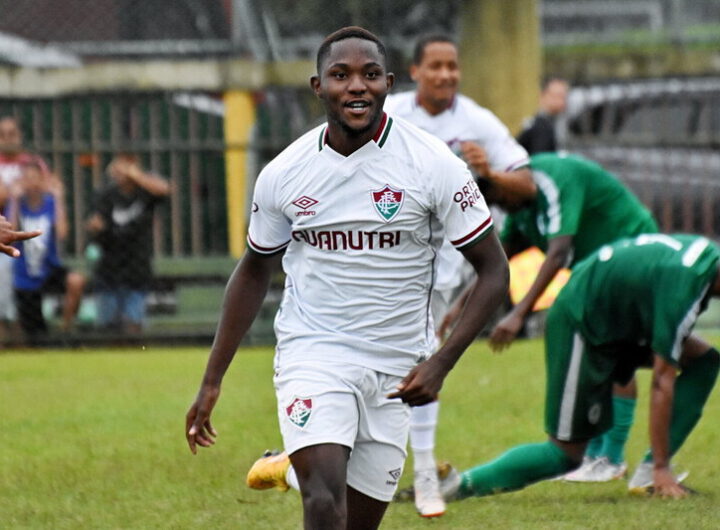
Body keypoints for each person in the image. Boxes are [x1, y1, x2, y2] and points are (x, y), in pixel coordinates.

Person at [185, 26, 509, 530]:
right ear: (319, 86)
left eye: (370, 75)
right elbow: (253, 270)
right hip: (314, 351)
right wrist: (211, 380)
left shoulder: (433, 165)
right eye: (341, 75)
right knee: (322, 500)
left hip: (396, 363)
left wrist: (441, 363)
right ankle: (304, 468)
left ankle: (291, 465)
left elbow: (494, 270)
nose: (356, 86)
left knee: (355, 520)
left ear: (389, 84)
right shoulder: (285, 173)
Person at [438, 233, 720, 501]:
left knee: (705, 361)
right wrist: (663, 468)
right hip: (582, 321)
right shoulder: (684, 284)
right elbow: (662, 380)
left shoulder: (707, 259)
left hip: (621, 319)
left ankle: (646, 472)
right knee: (565, 454)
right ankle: (460, 484)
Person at [382, 34, 530, 517]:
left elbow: (523, 184)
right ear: (415, 71)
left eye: (453, 65)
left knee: (423, 364)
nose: (446, 74)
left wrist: (487, 174)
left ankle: (423, 471)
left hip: (443, 271)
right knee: (375, 365)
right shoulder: (391, 113)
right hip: (383, 262)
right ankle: (310, 459)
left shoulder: (477, 121)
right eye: (436, 66)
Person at [443, 152, 659, 483]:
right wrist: (458, 306)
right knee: (597, 355)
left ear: (504, 182)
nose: (500, 209)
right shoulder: (523, 209)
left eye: (497, 199)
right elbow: (498, 260)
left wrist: (518, 313)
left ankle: (610, 459)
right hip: (597, 274)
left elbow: (558, 251)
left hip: (632, 256)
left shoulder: (555, 180)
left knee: (616, 352)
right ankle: (597, 456)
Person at [86, 154, 169, 334]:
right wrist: (95, 227)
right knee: (106, 327)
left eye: (126, 166)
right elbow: (95, 222)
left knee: (134, 323)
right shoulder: (105, 194)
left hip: (137, 267)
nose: (121, 171)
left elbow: (164, 189)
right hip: (109, 267)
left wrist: (136, 175)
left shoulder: (145, 193)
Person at [10, 162, 85, 339]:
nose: (32, 184)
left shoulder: (50, 203)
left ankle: (66, 329)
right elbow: (10, 233)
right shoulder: (18, 205)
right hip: (25, 275)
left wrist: (58, 197)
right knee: (35, 335)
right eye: (27, 179)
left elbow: (62, 233)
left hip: (49, 267)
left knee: (76, 281)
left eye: (36, 179)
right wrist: (14, 201)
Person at [0, 116, 49, 339]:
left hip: (27, 233)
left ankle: (19, 329)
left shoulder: (33, 163)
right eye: (2, 134)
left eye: (12, 134)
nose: (7, 139)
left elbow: (49, 187)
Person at [516, 77, 569, 155]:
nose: (561, 101)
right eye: (557, 96)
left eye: (564, 97)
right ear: (542, 96)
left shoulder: (541, 122)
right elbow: (540, 162)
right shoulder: (542, 127)